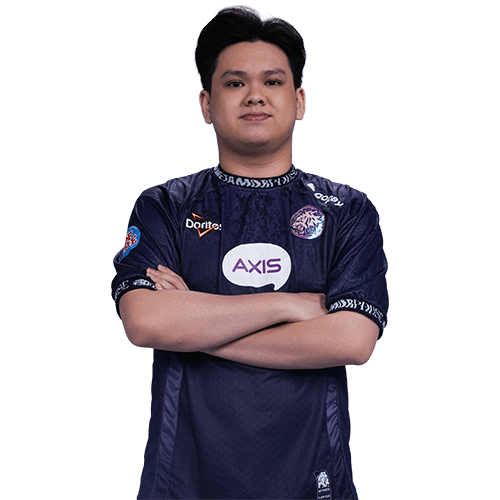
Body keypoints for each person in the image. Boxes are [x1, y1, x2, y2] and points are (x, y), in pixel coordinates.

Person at [111, 6, 388, 500]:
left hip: (311, 481)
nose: (255, 95)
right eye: (235, 83)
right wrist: (288, 304)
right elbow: (146, 323)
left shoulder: (348, 210)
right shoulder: (164, 205)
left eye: (273, 82)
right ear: (205, 103)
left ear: (299, 101)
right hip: (183, 484)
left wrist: (195, 327)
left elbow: (351, 341)